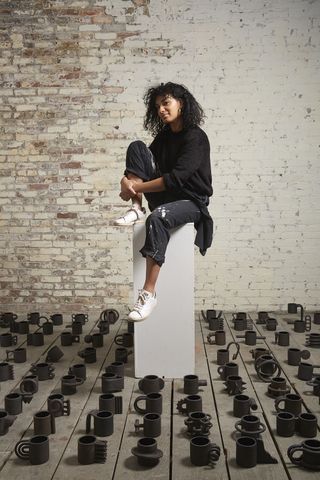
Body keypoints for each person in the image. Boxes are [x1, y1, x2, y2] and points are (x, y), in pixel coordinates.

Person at [114, 82, 213, 321]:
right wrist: (125, 181)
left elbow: (176, 179)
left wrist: (135, 186)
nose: (161, 109)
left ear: (182, 103)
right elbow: (142, 165)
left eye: (166, 103)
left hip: (191, 202)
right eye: (157, 105)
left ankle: (149, 294)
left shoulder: (196, 137)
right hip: (165, 198)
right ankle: (136, 208)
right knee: (137, 148)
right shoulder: (165, 136)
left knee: (158, 217)